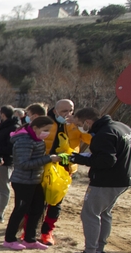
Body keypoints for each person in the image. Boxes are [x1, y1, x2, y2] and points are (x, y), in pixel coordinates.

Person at [65, 107, 131, 253]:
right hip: (123, 179)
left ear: (88, 122)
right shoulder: (122, 127)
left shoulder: (103, 134)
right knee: (104, 214)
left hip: (105, 181)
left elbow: (106, 161)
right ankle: (99, 250)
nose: (78, 127)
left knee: (90, 214)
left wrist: (77, 159)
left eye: (79, 124)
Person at [38, 99, 92, 245]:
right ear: (55, 111)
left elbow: (91, 140)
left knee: (56, 202)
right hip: (44, 166)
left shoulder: (77, 125)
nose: (68, 114)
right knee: (37, 200)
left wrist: (81, 127)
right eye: (64, 111)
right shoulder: (45, 122)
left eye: (71, 110)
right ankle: (29, 229)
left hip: (65, 169)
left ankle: (47, 232)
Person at [3, 115, 60, 250]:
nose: (47, 133)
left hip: (35, 180)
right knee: (20, 210)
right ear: (35, 128)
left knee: (37, 209)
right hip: (23, 181)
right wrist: (48, 159)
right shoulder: (24, 141)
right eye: (45, 129)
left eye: (49, 130)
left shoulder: (38, 140)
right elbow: (23, 164)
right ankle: (9, 239)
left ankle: (30, 239)